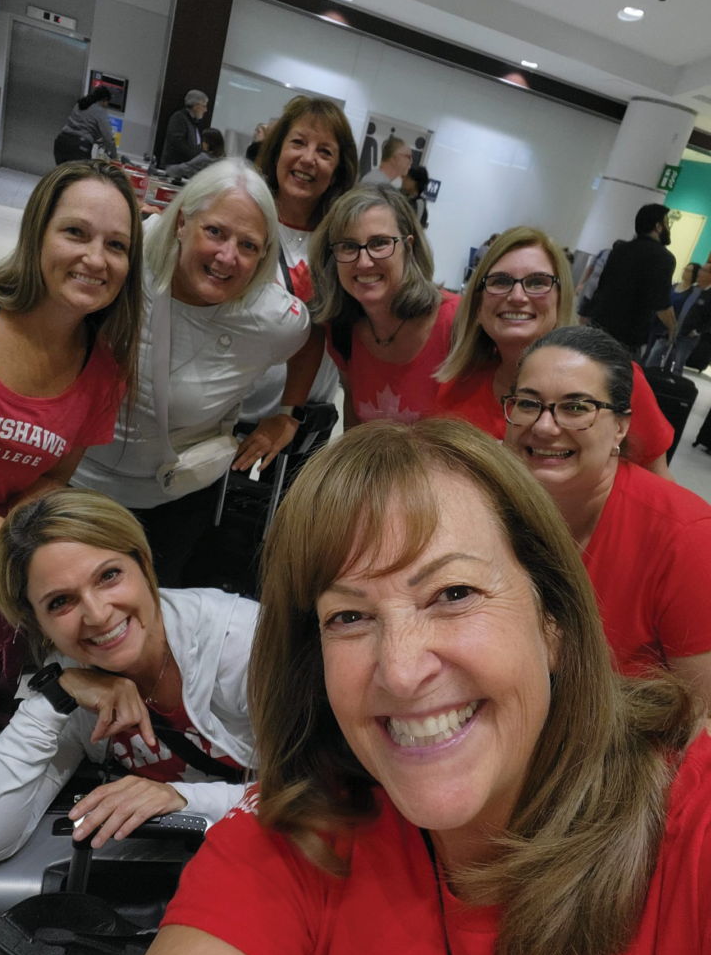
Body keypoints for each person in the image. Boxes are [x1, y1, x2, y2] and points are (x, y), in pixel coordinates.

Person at [137, 419, 709, 955]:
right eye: (350, 616)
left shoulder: (689, 830)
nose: (402, 671)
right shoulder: (301, 840)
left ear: (553, 622)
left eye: (453, 593)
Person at [0, 488, 257, 869]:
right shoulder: (74, 684)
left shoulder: (243, 642)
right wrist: (55, 697)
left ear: (143, 564)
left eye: (109, 576)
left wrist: (184, 799)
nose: (97, 614)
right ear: (37, 624)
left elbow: (338, 797)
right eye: (60, 602)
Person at [0, 159, 142, 742]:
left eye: (117, 245)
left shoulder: (104, 372)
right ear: (38, 234)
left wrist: (10, 528)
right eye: (76, 233)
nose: (95, 259)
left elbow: (53, 479)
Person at [72, 158, 313, 588]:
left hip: (173, 504)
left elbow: (311, 337)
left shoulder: (269, 317)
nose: (227, 257)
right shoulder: (130, 257)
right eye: (215, 231)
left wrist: (288, 413)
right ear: (183, 221)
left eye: (249, 246)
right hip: (75, 481)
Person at [503, 325, 711, 703]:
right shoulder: (486, 501)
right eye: (529, 403)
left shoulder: (686, 537)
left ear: (620, 426)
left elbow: (703, 718)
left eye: (576, 407)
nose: (545, 426)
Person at [435, 225, 675, 477]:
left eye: (537, 282)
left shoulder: (617, 379)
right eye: (500, 281)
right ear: (477, 307)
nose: (517, 296)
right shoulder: (456, 382)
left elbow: (660, 492)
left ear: (562, 300)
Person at [238, 95, 358, 434]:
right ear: (277, 150)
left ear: (337, 170)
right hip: (231, 416)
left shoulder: (345, 244)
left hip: (306, 422)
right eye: (298, 142)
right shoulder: (242, 222)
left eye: (325, 151)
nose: (308, 159)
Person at [309, 184, 457, 426]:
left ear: (408, 248)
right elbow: (355, 422)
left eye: (379, 243)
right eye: (348, 246)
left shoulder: (457, 323)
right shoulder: (341, 329)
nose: (364, 262)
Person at [589, 203, 677, 358]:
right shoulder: (664, 258)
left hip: (599, 325)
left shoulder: (619, 249)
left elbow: (601, 286)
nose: (669, 228)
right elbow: (660, 302)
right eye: (667, 223)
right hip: (628, 336)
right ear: (658, 227)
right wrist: (672, 328)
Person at [644, 260, 711, 375]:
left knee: (677, 363)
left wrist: (696, 331)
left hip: (688, 336)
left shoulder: (708, 295)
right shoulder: (694, 290)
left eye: (704, 271)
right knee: (655, 354)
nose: (700, 273)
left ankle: (673, 385)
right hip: (674, 330)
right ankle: (650, 377)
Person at [53, 87, 118, 165]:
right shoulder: (100, 111)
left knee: (61, 173)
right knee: (79, 176)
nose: (107, 105)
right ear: (104, 99)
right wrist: (114, 156)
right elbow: (109, 138)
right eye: (107, 102)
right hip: (79, 147)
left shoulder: (80, 104)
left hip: (62, 140)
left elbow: (82, 126)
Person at [161, 91, 209, 168]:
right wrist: (198, 157)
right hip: (174, 169)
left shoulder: (193, 122)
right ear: (195, 106)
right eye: (204, 106)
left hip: (183, 169)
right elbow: (178, 143)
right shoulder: (179, 118)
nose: (205, 110)